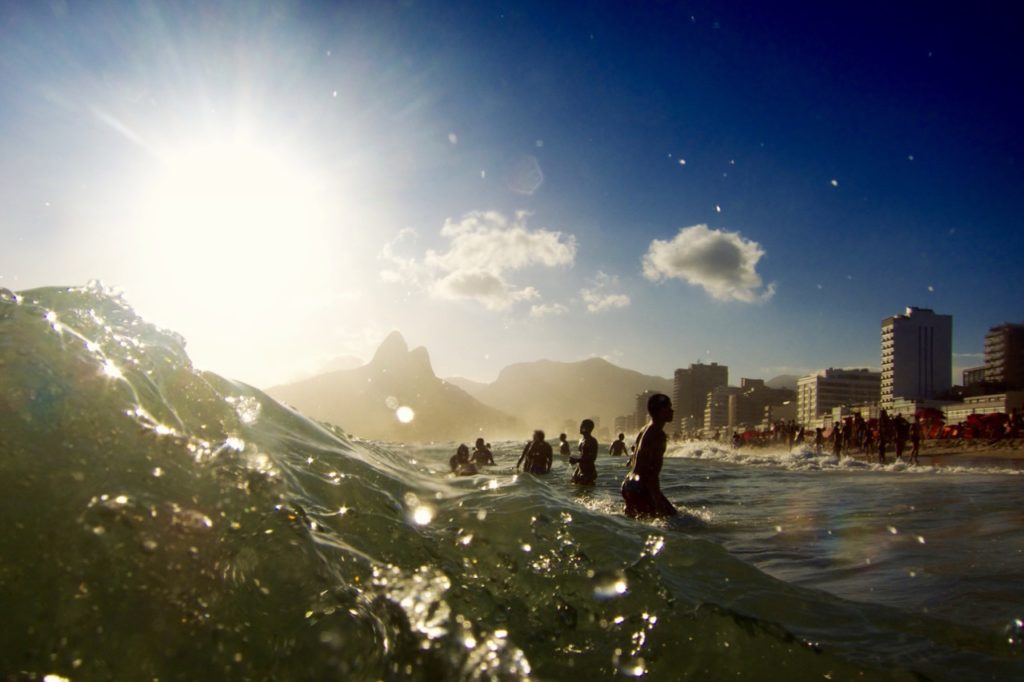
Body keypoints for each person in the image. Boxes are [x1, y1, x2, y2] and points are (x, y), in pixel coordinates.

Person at [621, 393, 677, 518]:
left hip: (628, 484)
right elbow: (651, 473)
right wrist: (658, 501)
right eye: (669, 407)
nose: (672, 411)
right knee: (671, 519)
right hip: (640, 487)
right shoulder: (658, 434)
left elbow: (635, 455)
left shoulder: (645, 429)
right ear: (661, 410)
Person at [571, 419, 598, 485]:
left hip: (588, 473)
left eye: (582, 426)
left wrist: (577, 460)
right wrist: (576, 472)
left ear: (588, 428)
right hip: (580, 472)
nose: (580, 427)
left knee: (586, 493)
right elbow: (582, 456)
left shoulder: (592, 441)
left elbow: (592, 458)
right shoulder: (581, 440)